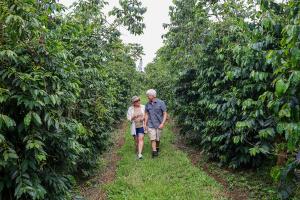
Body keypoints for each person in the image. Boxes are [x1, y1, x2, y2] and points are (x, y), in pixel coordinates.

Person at [144, 89, 167, 158]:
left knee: (157, 139)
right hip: (150, 124)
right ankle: (154, 152)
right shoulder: (147, 104)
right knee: (152, 138)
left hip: (159, 124)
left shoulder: (161, 103)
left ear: (153, 95)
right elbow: (147, 114)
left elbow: (165, 113)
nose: (147, 97)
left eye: (148, 95)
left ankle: (157, 147)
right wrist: (145, 123)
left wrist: (162, 123)